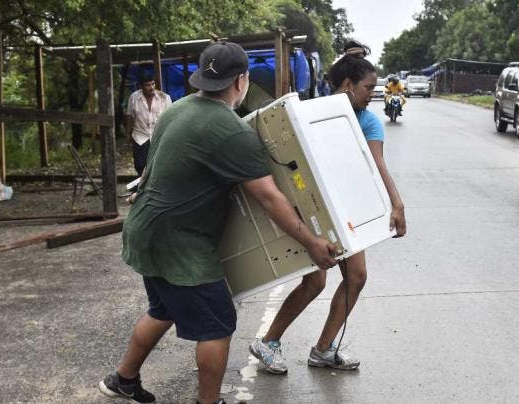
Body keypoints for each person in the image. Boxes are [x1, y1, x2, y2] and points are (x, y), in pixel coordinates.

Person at [99, 42, 338, 404]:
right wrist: (312, 242)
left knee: (163, 309)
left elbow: (152, 169)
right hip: (179, 243)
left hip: (145, 229)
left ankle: (123, 379)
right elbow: (270, 198)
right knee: (218, 324)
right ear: (242, 80)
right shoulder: (232, 131)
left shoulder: (176, 110)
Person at [249, 40, 407, 374]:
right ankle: (269, 342)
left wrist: (396, 203)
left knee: (357, 276)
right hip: (309, 208)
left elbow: (378, 166)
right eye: (367, 88)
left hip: (346, 209)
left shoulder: (368, 121)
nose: (372, 94)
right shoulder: (311, 113)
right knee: (315, 281)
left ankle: (323, 348)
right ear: (347, 86)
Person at [125, 75, 172, 175]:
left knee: (158, 164)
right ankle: (142, 187)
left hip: (159, 136)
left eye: (153, 84)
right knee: (140, 165)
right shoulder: (134, 97)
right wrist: (128, 135)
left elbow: (170, 117)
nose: (151, 87)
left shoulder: (164, 98)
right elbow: (129, 116)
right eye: (148, 85)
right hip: (140, 136)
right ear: (141, 86)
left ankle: (155, 186)